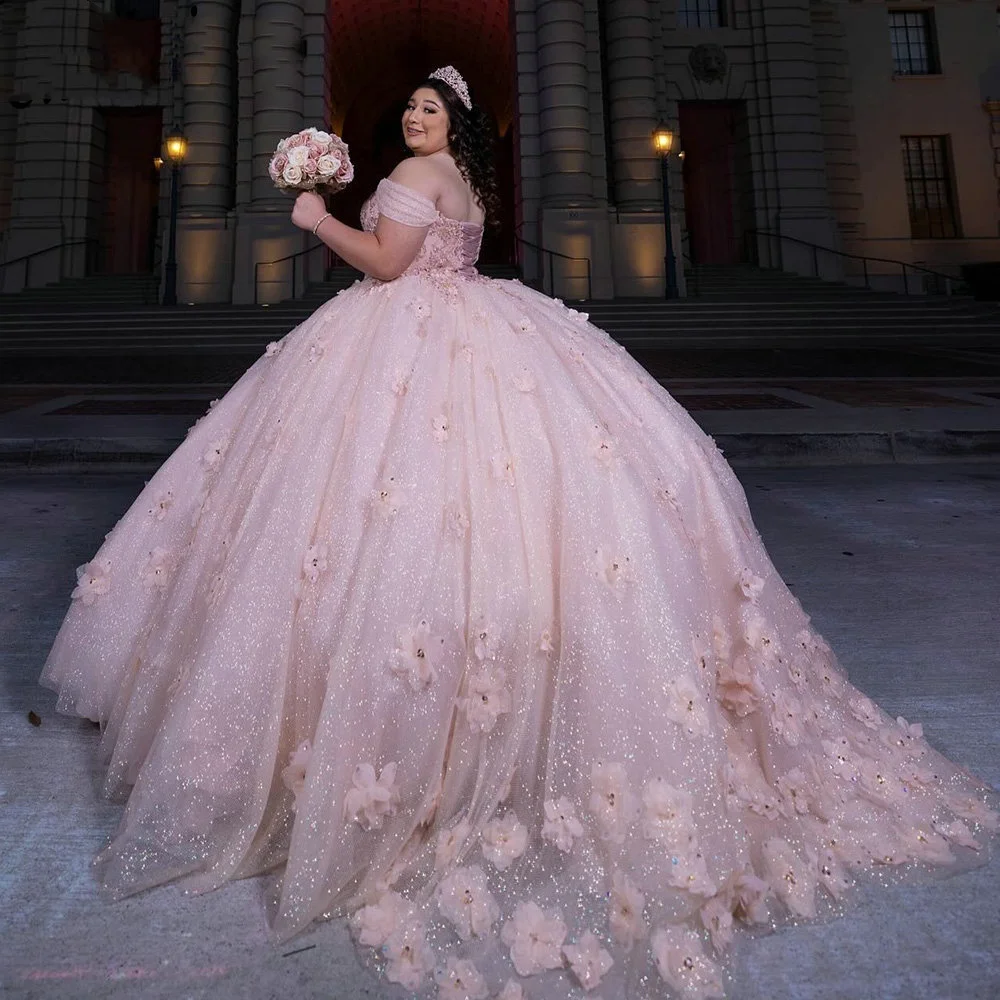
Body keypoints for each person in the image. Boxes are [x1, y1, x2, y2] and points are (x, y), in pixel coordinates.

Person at [41, 66, 997, 999]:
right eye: (408, 107)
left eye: (429, 107)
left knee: (377, 522)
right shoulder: (459, 180)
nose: (414, 119)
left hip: (401, 337)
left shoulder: (415, 179)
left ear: (451, 124)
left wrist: (316, 219)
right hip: (478, 328)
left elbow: (385, 264)